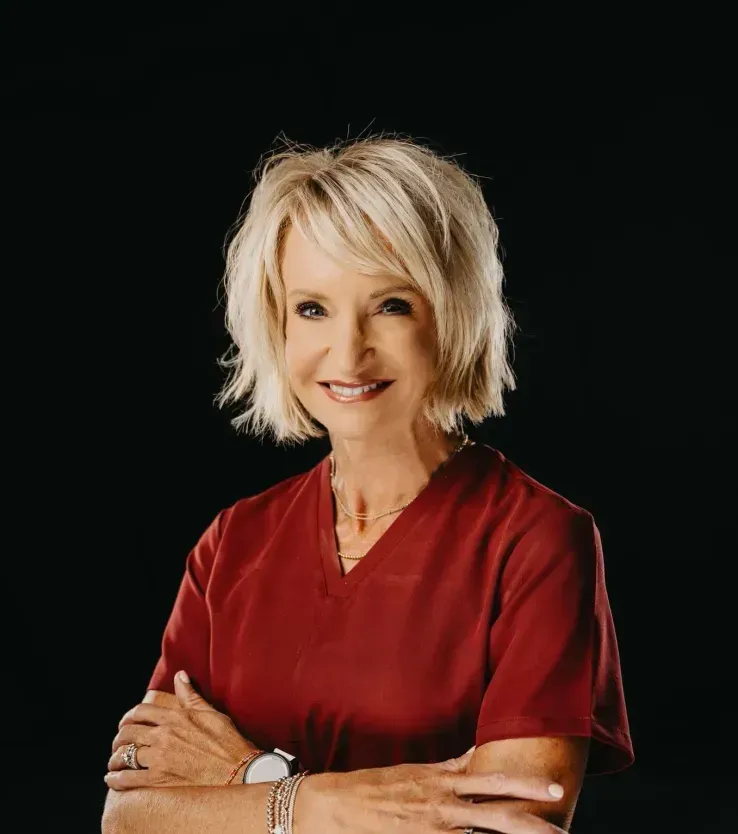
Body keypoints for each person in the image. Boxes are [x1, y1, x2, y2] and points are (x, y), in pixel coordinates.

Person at [102, 135, 634, 834]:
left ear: (451, 315)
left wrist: (250, 784)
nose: (348, 352)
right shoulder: (233, 542)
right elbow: (132, 816)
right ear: (276, 322)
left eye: (391, 306)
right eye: (312, 309)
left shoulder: (538, 540)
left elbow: (511, 823)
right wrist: (315, 804)